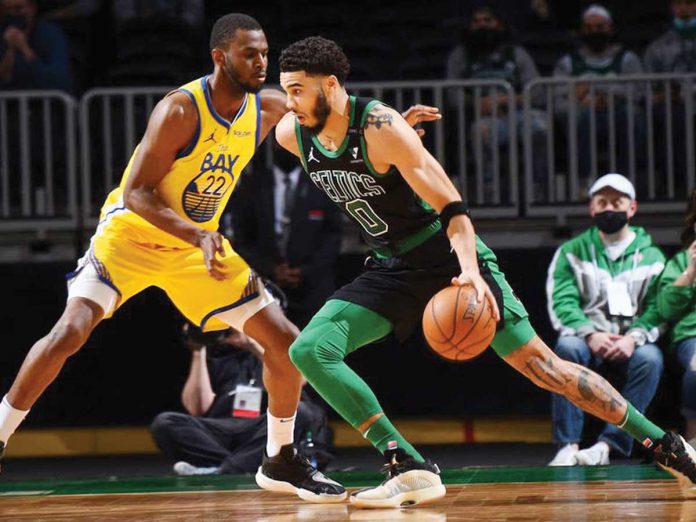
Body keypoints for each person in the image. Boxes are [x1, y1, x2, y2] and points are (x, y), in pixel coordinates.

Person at [0, 13, 435, 503]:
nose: (262, 63)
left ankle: (281, 459)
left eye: (265, 53)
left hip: (195, 248)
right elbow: (138, 192)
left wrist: (392, 130)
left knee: (286, 344)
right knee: (70, 332)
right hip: (131, 237)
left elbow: (330, 120)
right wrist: (195, 234)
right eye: (250, 54)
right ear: (219, 56)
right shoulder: (180, 109)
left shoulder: (268, 108)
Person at [274, 36, 696, 509]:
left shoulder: (380, 124)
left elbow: (453, 206)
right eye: (285, 91)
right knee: (310, 350)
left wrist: (472, 272)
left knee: (544, 369)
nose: (290, 102)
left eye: (297, 90)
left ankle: (664, 444)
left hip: (448, 253)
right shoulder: (293, 133)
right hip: (393, 266)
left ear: (330, 86)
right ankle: (406, 463)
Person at [546, 173, 666, 466]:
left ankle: (608, 445)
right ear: (592, 208)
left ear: (632, 208)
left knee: (650, 358)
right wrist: (589, 333)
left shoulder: (653, 256)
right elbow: (562, 300)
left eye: (617, 202)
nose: (609, 208)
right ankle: (568, 446)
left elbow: (658, 308)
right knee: (567, 348)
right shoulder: (571, 252)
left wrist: (633, 338)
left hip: (631, 340)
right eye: (602, 202)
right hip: (589, 337)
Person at [151, 324, 333, 475]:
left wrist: (252, 344)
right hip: (222, 428)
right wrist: (199, 350)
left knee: (301, 411)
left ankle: (224, 470)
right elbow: (197, 408)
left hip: (262, 429)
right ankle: (244, 463)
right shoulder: (220, 360)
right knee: (165, 422)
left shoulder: (280, 354)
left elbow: (297, 379)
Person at [230, 142, 343, 328]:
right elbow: (242, 239)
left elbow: (333, 236)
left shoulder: (320, 184)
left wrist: (305, 271)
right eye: (280, 144)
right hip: (263, 289)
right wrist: (271, 269)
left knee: (311, 349)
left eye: (291, 145)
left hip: (313, 290)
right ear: (272, 147)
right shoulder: (253, 185)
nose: (285, 149)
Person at [445, 4, 549, 203]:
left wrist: (508, 99)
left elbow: (538, 91)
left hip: (519, 114)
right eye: (477, 22)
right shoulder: (460, 56)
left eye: (487, 21)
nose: (482, 25)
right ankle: (491, 194)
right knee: (481, 132)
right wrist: (476, 103)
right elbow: (451, 94)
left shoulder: (516, 53)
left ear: (499, 25)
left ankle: (538, 190)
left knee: (540, 127)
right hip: (484, 118)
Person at [553, 5, 644, 186]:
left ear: (610, 28)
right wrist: (584, 100)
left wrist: (595, 89)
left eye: (600, 27)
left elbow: (639, 92)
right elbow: (557, 98)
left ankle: (626, 181)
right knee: (584, 117)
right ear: (581, 30)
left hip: (619, 114)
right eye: (589, 28)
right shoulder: (568, 62)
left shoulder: (627, 59)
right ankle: (584, 182)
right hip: (583, 116)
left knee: (631, 115)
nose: (594, 32)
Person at [643, 0, 696, 196]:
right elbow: (647, 87)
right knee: (668, 117)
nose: (684, 9)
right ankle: (675, 184)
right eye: (679, 3)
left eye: (690, 3)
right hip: (674, 109)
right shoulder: (658, 47)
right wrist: (661, 95)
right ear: (672, 7)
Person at [658, 190, 696, 446]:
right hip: (691, 337)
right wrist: (691, 271)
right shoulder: (681, 261)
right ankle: (693, 437)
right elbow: (665, 309)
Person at [0, 0, 72, 91]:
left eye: (18, 8)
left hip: (44, 102)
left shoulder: (49, 33)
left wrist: (25, 50)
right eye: (6, 9)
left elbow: (60, 82)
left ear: (32, 8)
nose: (13, 14)